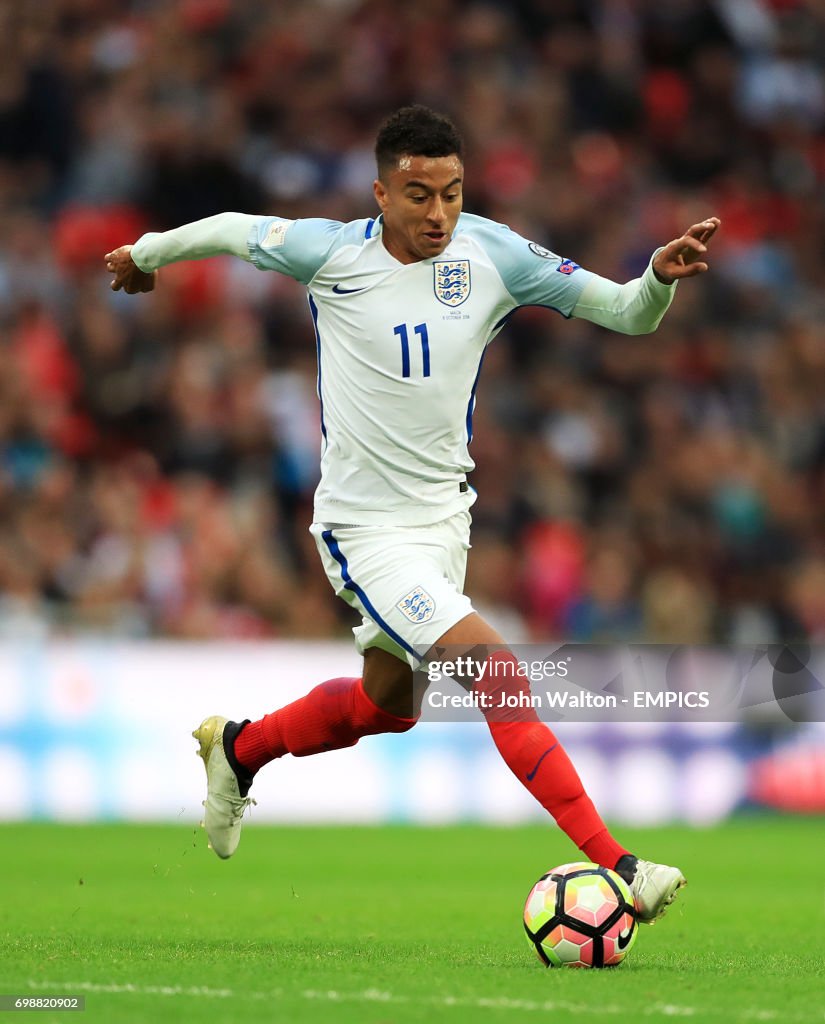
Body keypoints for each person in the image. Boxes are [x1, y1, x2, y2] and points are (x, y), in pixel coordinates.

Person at [105, 105, 721, 923]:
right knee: (493, 670)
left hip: (443, 527)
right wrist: (145, 256)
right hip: (363, 531)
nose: (438, 213)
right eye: (418, 194)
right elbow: (231, 229)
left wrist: (653, 280)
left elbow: (623, 313)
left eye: (452, 193)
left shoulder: (494, 252)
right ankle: (621, 865)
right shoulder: (331, 253)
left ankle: (238, 748)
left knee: (387, 708)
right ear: (381, 194)